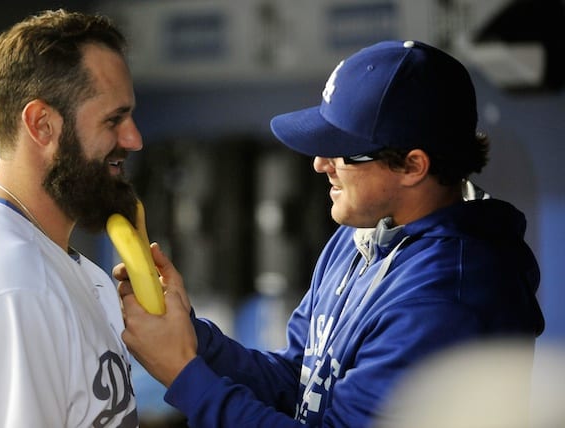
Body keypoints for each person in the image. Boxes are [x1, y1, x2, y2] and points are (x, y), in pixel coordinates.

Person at [115, 40, 545, 427]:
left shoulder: (449, 294)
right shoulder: (364, 237)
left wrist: (184, 375)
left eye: (343, 151)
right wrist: (189, 336)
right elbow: (298, 384)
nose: (321, 162)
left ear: (414, 166)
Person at [0, 9, 143, 427]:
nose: (134, 138)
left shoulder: (30, 254)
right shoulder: (12, 283)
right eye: (114, 119)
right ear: (42, 124)